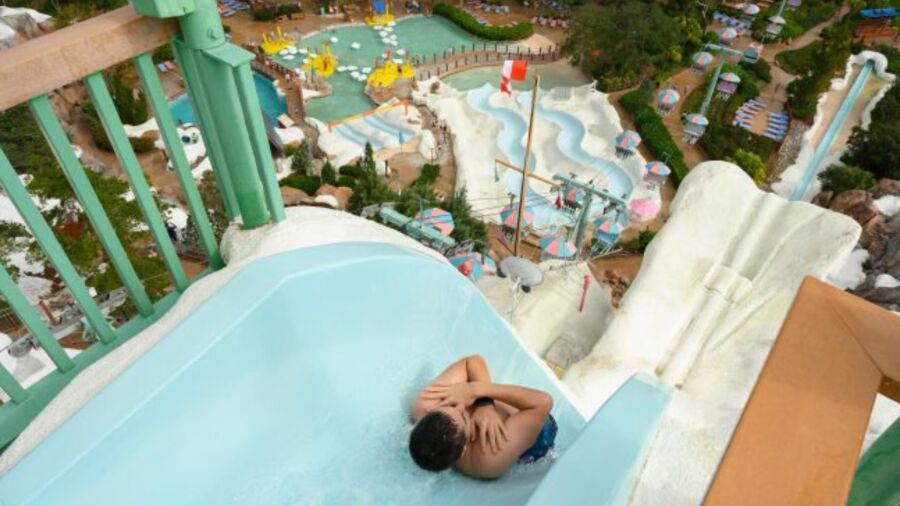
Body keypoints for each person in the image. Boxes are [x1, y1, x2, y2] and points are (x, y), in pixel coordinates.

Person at [408, 355, 556, 479]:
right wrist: (476, 390)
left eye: (450, 406)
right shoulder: (488, 456)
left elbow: (472, 361)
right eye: (463, 416)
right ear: (465, 445)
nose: (460, 406)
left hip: (508, 409)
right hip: (538, 437)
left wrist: (485, 403)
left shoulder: (426, 404)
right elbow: (544, 402)